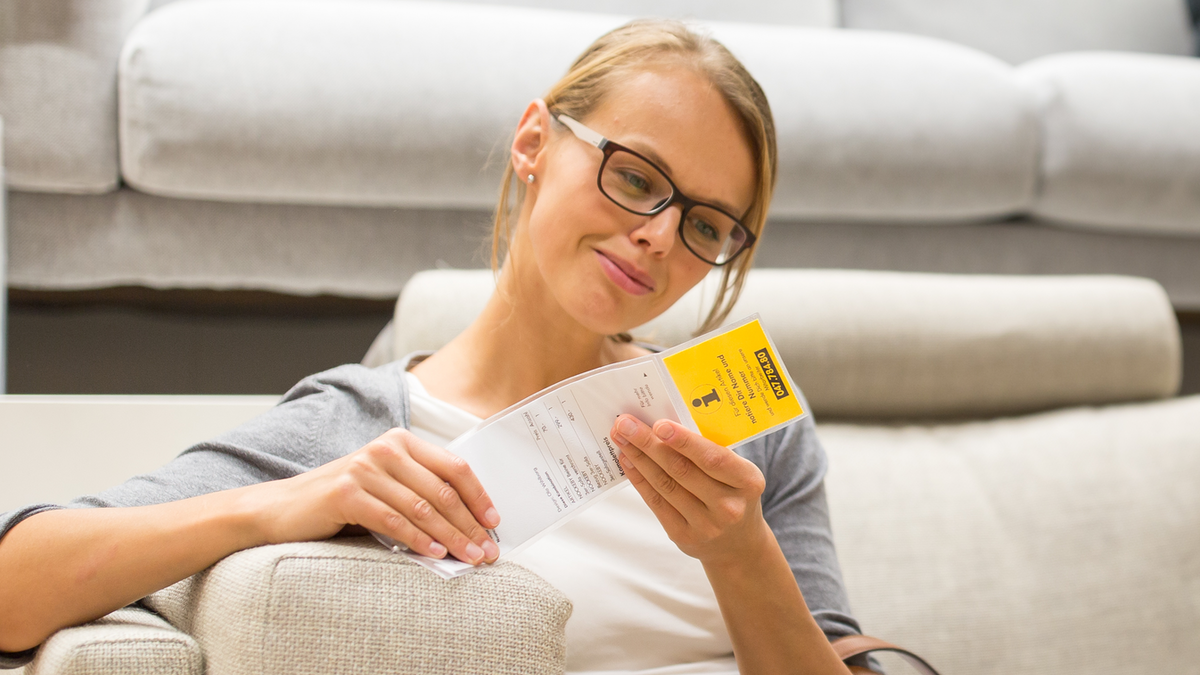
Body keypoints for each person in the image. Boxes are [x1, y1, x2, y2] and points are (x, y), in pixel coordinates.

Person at [0, 19, 869, 675]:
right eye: (636, 178)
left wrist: (740, 553)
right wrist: (287, 502)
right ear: (534, 143)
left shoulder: (748, 430)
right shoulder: (362, 427)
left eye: (706, 224)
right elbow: (12, 588)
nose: (657, 236)